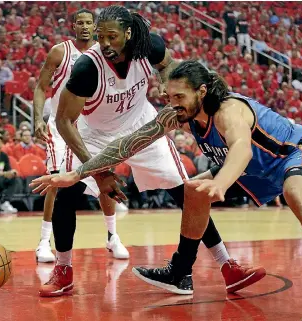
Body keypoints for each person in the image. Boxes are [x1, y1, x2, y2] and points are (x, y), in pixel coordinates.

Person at [32, 61, 302, 321]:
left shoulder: (229, 111)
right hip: (252, 171)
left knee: (296, 193)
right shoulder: (180, 114)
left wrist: (220, 183)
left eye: (179, 97)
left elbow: (242, 151)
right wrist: (77, 172)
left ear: (202, 91)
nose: (172, 104)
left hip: (294, 153)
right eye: (168, 97)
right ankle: (181, 271)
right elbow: (126, 146)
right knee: (193, 189)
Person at [34, 7, 265, 297]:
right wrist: (101, 172)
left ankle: (228, 266)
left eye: (112, 36)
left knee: (188, 192)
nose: (105, 43)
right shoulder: (87, 68)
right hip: (95, 135)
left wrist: (172, 94)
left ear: (128, 34)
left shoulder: (150, 46)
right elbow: (64, 121)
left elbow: (170, 67)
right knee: (67, 193)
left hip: (142, 123)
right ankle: (63, 270)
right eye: (100, 36)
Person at [33, 9, 95, 263]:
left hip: (90, 127)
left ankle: (113, 235)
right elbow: (40, 87)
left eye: (89, 23)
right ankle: (43, 241)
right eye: (79, 22)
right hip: (60, 127)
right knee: (57, 179)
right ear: (73, 26)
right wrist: (38, 118)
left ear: (95, 26)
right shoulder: (60, 52)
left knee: (102, 176)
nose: (84, 26)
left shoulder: (102, 54)